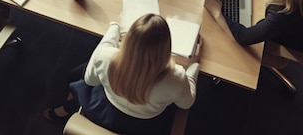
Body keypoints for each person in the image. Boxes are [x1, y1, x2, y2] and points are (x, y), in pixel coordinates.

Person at [43, 15, 199, 135]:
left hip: (105, 112)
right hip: (145, 127)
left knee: (81, 72)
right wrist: (194, 66)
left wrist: (115, 26)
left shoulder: (106, 56)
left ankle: (67, 106)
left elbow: (90, 81)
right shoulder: (176, 77)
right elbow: (187, 103)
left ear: (129, 40)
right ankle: (68, 105)